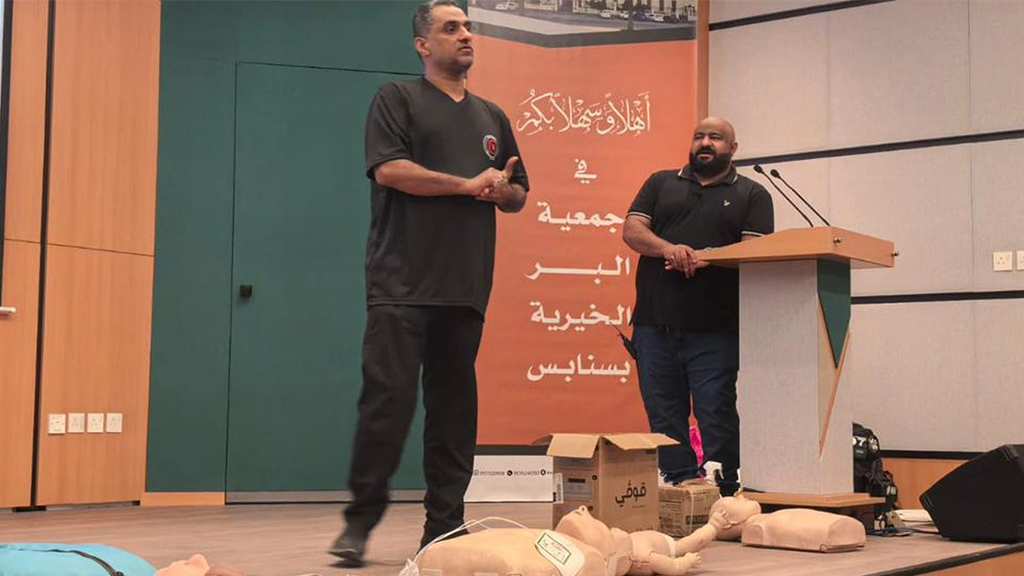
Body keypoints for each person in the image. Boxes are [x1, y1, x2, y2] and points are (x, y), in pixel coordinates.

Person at [328, 0, 529, 567]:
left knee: (453, 412)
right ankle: (359, 522)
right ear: (423, 44)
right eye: (451, 28)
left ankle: (445, 526)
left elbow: (518, 193)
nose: (465, 35)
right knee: (386, 404)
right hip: (401, 282)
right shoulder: (397, 98)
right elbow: (390, 170)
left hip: (465, 287)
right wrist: (467, 186)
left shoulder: (493, 116)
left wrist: (502, 192)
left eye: (468, 27)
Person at [622, 117, 773, 496]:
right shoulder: (661, 183)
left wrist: (708, 257)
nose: (705, 143)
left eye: (716, 137)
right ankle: (678, 492)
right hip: (654, 325)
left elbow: (755, 252)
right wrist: (670, 250)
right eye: (699, 136)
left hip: (716, 330)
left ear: (733, 149)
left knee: (715, 414)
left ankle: (725, 496)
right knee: (663, 417)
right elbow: (632, 231)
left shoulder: (753, 194)